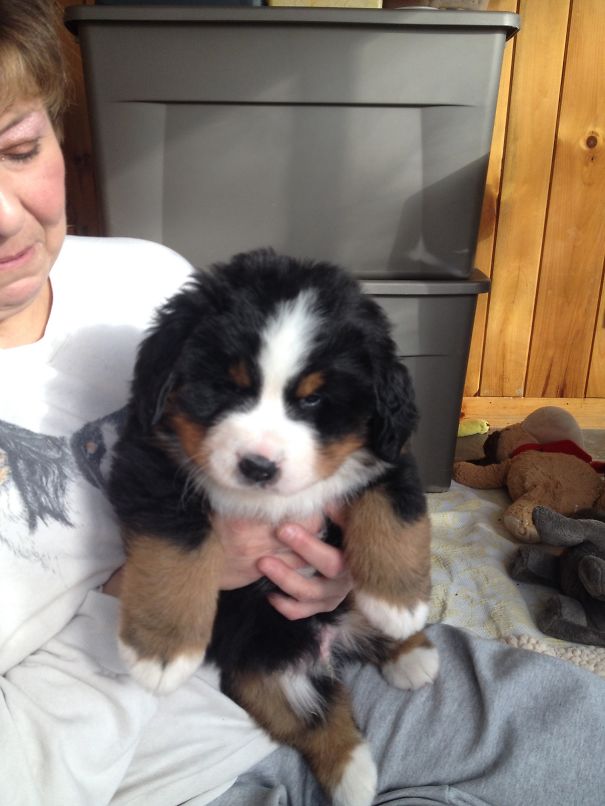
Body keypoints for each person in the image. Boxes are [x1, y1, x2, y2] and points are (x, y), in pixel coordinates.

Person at [0, 2, 603, 805]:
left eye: (18, 147)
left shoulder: (148, 281)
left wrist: (347, 581)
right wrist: (175, 584)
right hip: (159, 767)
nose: (5, 216)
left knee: (581, 725)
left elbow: (373, 453)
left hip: (333, 643)